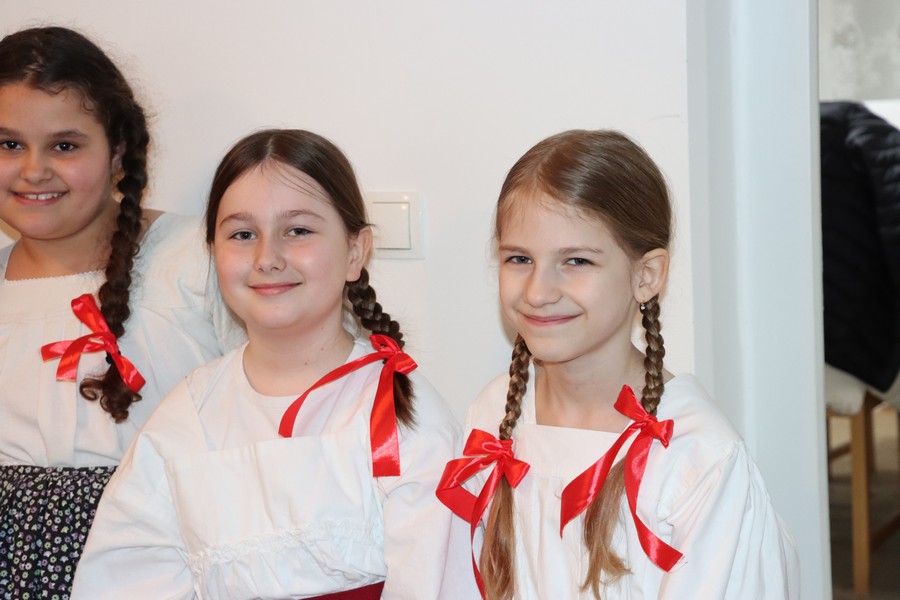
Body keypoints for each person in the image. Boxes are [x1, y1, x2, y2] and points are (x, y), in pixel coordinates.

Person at [72, 129, 469, 599]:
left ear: (355, 252)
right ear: (213, 253)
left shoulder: (398, 412)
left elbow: (434, 580)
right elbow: (126, 577)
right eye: (243, 235)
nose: (267, 258)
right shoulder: (188, 415)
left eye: (298, 231)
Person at [436, 129, 800, 599]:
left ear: (645, 276)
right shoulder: (493, 414)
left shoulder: (695, 457)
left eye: (576, 261)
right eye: (520, 258)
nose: (538, 292)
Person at [0, 26, 241, 599]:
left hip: (169, 558)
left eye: (65, 145)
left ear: (118, 153)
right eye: (8, 145)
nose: (33, 170)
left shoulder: (201, 258)